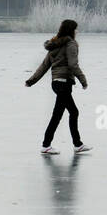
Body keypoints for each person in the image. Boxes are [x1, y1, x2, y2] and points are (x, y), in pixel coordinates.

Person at [25, 18, 93, 155]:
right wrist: (83, 80)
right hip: (64, 83)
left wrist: (31, 81)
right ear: (72, 30)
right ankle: (76, 144)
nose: (77, 31)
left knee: (58, 115)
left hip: (56, 83)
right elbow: (73, 65)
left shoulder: (54, 44)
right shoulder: (71, 44)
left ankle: (48, 145)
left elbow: (44, 66)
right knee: (73, 112)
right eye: (75, 29)